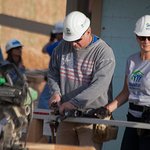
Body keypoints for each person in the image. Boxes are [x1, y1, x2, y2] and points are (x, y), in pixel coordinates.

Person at [47, 11, 116, 150]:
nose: (73, 44)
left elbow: (99, 86)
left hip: (91, 119)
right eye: (70, 40)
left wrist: (73, 103)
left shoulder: (104, 53)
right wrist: (56, 93)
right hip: (66, 117)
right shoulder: (61, 47)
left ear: (88, 31)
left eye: (77, 40)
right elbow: (53, 73)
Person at [102, 15, 150, 150]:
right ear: (136, 37)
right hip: (133, 119)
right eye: (142, 37)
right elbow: (126, 92)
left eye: (149, 37)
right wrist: (107, 109)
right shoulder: (132, 60)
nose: (146, 41)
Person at [38, 22, 63, 109]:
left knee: (43, 100)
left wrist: (51, 40)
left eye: (56, 34)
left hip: (55, 77)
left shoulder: (57, 45)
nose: (56, 36)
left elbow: (44, 49)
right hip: (65, 78)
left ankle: (47, 119)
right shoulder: (69, 45)